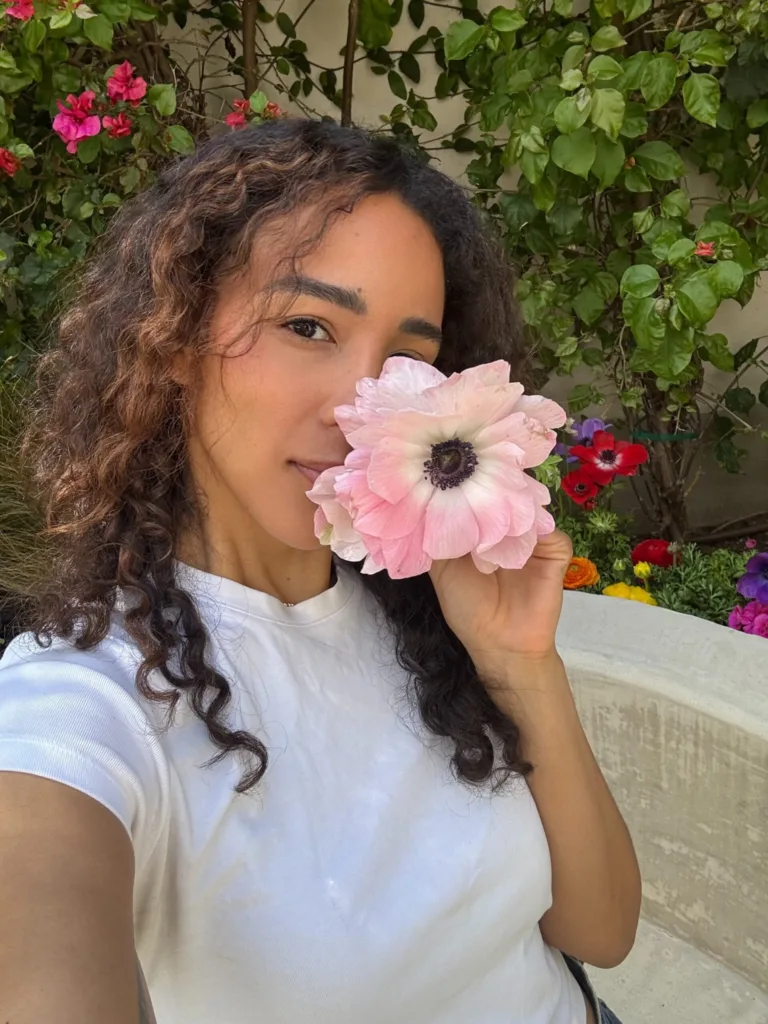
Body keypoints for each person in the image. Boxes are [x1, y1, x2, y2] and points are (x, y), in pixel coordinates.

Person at [0, 119, 640, 1024]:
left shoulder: (426, 613)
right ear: (175, 340)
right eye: (308, 326)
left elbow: (601, 933)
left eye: (408, 359)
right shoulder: (84, 703)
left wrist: (519, 665)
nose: (361, 408)